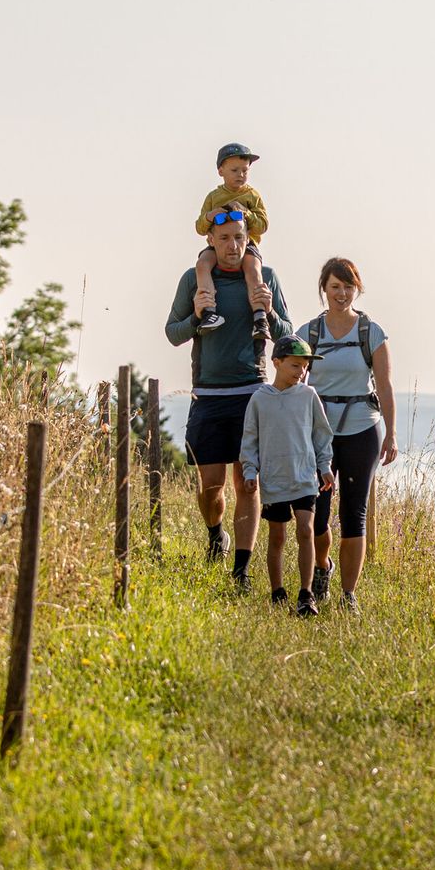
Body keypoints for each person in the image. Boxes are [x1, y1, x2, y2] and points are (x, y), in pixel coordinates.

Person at [165, 210, 291, 589]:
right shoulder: (194, 279)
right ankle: (215, 534)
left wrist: (268, 309)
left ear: (248, 238)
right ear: (210, 241)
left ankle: (242, 569)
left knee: (248, 484)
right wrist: (198, 317)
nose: (233, 246)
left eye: (239, 237)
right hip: (208, 393)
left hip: (252, 391)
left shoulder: (265, 278)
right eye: (225, 239)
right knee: (210, 487)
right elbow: (172, 332)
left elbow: (288, 336)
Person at [297, 257, 397, 614]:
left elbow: (384, 385)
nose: (342, 293)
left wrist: (391, 434)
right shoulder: (308, 333)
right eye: (335, 286)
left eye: (348, 286)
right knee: (316, 514)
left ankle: (348, 595)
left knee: (354, 512)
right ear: (324, 289)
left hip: (362, 429)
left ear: (358, 289)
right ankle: (322, 568)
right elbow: (293, 382)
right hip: (318, 434)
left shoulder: (371, 332)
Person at [240, 337, 336, 615]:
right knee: (277, 537)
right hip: (274, 479)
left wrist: (325, 466)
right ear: (277, 363)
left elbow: (321, 435)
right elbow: (250, 438)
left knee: (305, 530)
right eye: (295, 365)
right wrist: (250, 470)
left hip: (305, 476)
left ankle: (306, 595)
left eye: (305, 367)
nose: (301, 372)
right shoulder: (260, 399)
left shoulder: (308, 396)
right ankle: (277, 591)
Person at [191, 142, 272, 341]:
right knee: (202, 264)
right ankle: (209, 311)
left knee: (253, 269)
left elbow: (263, 225)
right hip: (216, 245)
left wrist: (246, 215)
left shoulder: (252, 195)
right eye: (235, 170)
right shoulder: (214, 196)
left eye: (245, 170)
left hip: (247, 245)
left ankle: (260, 317)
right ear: (221, 171)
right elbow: (200, 228)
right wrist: (210, 216)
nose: (241, 175)